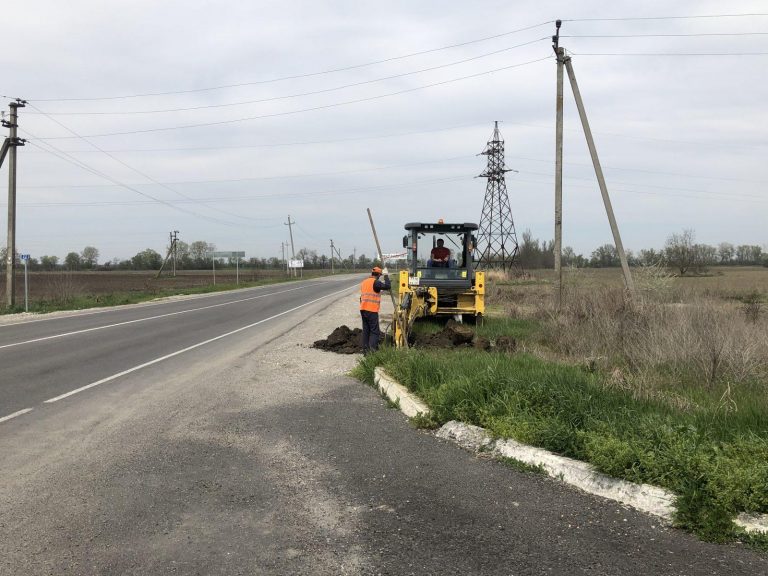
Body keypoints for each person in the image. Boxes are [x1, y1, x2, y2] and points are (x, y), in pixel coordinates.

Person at [360, 266, 391, 353]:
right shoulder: (375, 282)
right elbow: (388, 286)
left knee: (366, 330)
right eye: (380, 275)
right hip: (371, 310)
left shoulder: (364, 282)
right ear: (378, 275)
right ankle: (372, 352)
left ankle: (365, 351)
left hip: (363, 309)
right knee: (374, 332)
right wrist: (386, 275)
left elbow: (362, 296)